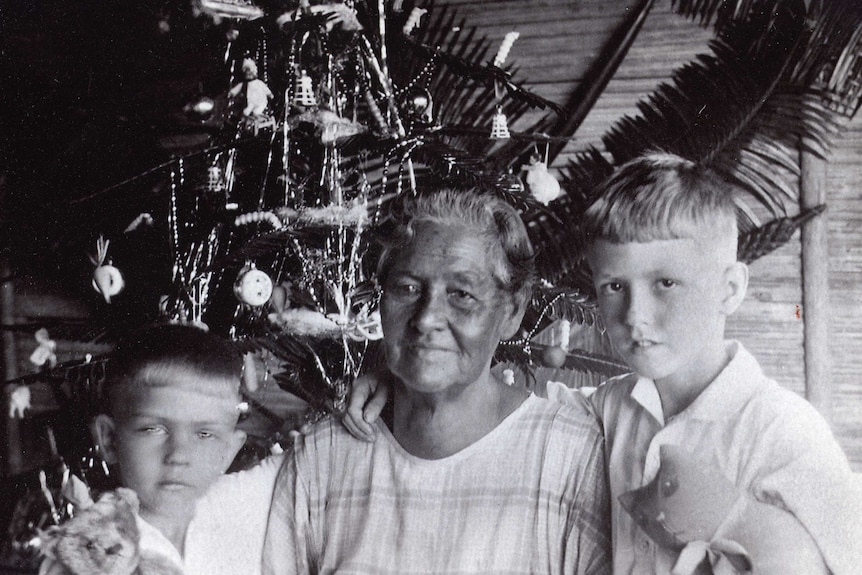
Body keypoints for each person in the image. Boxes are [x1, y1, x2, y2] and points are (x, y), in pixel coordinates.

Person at [346, 154, 862, 574]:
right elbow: (490, 405)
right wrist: (398, 379)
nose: (635, 315)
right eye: (614, 287)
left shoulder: (785, 433)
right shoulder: (607, 412)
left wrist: (741, 523)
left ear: (730, 289)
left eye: (665, 284)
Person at [262, 188, 612, 574]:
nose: (427, 317)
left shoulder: (569, 457)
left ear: (512, 311)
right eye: (408, 288)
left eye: (462, 294)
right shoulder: (323, 455)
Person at [39, 323, 283, 575]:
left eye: (204, 434)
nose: (178, 456)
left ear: (228, 451)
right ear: (110, 439)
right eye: (153, 429)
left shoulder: (244, 510)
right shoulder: (89, 553)